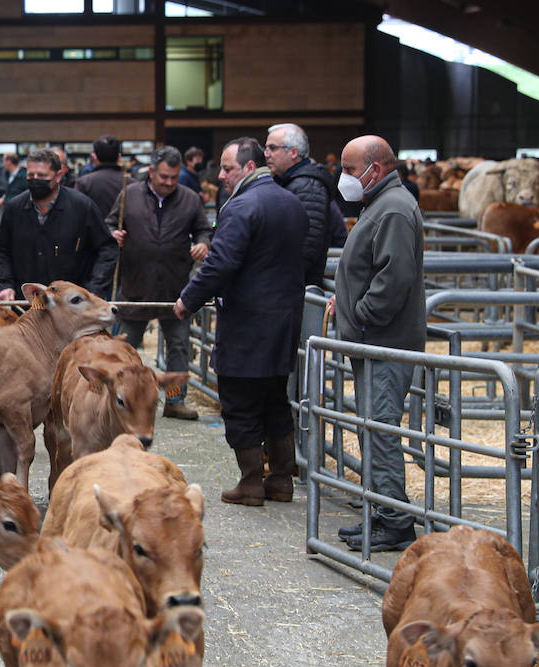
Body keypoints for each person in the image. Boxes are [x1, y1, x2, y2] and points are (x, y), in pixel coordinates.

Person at [175, 137, 307, 506]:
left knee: (240, 401)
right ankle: (280, 479)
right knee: (276, 399)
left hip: (248, 322)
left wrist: (188, 299)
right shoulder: (291, 202)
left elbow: (220, 263)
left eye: (227, 168)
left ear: (249, 167)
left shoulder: (241, 205)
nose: (220, 176)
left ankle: (250, 482)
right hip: (284, 320)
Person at [331, 135, 425, 552]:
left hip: (384, 340)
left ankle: (395, 521)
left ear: (377, 169)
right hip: (374, 339)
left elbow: (394, 277)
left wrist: (362, 314)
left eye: (350, 170)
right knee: (372, 426)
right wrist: (346, 300)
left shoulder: (394, 209)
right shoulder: (381, 204)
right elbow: (371, 269)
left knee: (381, 427)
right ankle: (382, 508)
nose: (344, 178)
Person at [107, 145, 211, 420]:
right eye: (164, 176)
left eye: (174, 177)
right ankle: (123, 399)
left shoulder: (189, 198)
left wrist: (203, 243)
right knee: (125, 348)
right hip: (135, 284)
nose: (168, 182)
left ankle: (175, 400)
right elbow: (109, 223)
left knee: (178, 346)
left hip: (174, 288)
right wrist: (113, 233)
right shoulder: (129, 194)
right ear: (152, 171)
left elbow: (204, 229)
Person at [0, 148, 117, 301]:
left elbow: (107, 248)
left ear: (58, 176)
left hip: (71, 303)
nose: (35, 180)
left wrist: (95, 288)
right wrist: (6, 285)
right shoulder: (14, 208)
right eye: (31, 175)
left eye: (42, 175)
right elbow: (2, 249)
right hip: (27, 301)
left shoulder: (82, 207)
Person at [265, 123, 346, 289]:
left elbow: (307, 245)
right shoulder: (290, 181)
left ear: (293, 152)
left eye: (272, 148)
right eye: (265, 148)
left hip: (294, 286)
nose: (266, 154)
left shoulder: (308, 186)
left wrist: (275, 278)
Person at [73, 135, 123, 222]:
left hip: (91, 230)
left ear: (94, 157)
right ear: (119, 157)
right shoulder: (132, 183)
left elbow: (76, 213)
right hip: (122, 231)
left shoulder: (83, 183)